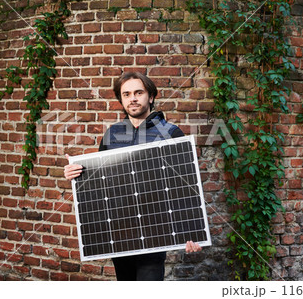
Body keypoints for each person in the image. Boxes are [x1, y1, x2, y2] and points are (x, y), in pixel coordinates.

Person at [65, 72, 202, 281]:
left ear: (151, 97)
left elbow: (183, 185)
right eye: (126, 94)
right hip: (121, 233)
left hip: (156, 232)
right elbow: (100, 181)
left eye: (139, 92)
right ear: (121, 99)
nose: (133, 98)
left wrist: (192, 232)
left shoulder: (171, 133)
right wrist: (75, 173)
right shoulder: (112, 134)